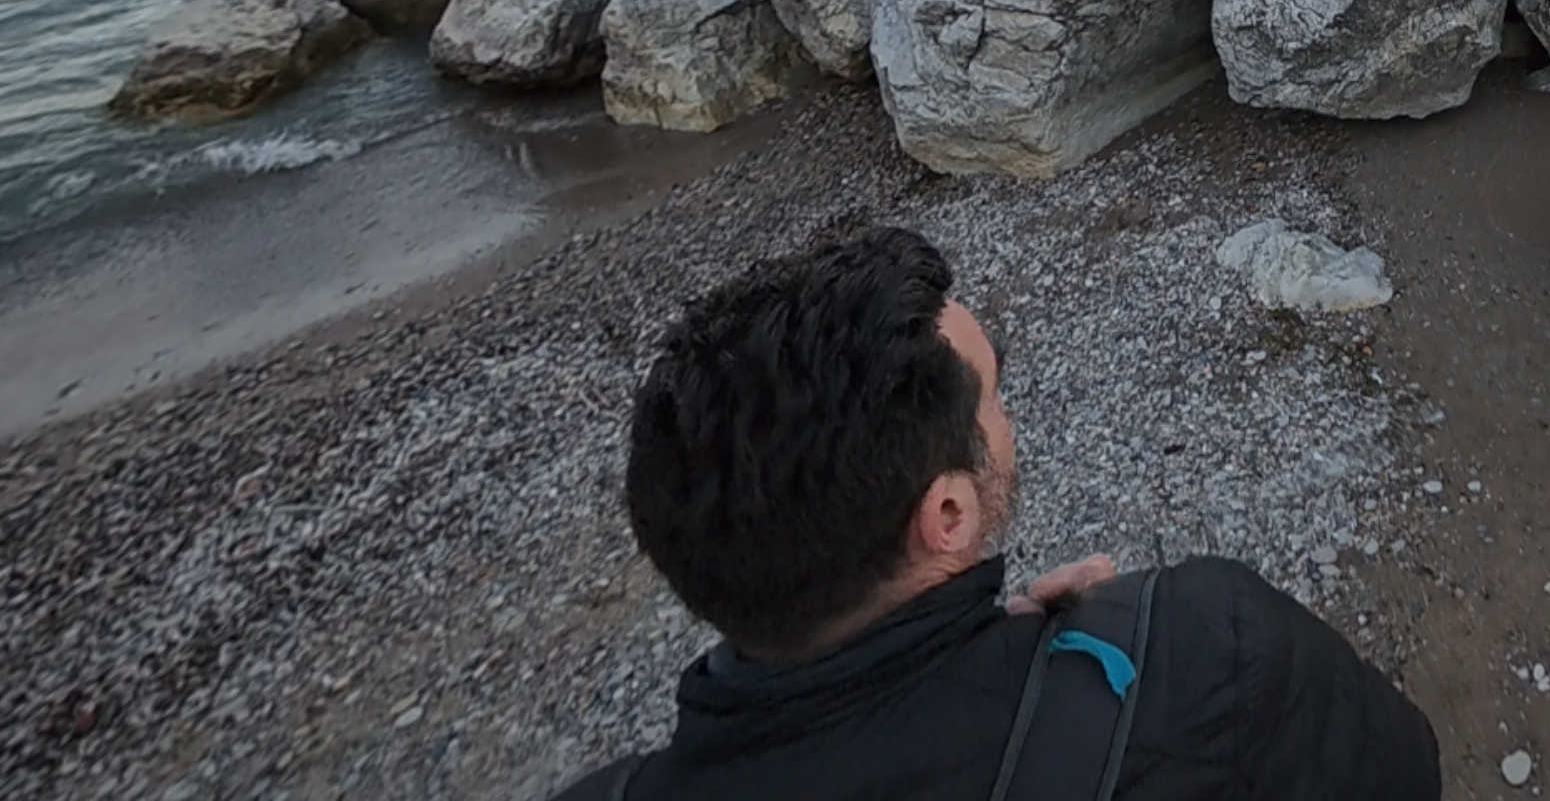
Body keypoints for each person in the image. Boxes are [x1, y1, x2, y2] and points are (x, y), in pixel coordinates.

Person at [549, 226, 1439, 800]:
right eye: (995, 396)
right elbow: (1408, 773)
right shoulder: (1210, 652)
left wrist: (977, 661)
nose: (1007, 418)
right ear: (947, 514)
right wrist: (1098, 662)